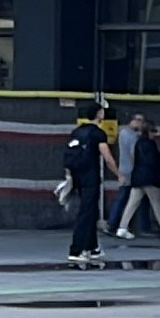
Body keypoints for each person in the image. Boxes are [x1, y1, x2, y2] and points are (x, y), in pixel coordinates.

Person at [61, 103, 113, 266]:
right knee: (86, 212)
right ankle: (76, 250)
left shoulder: (77, 131)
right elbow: (107, 157)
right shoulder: (98, 134)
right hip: (90, 177)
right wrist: (119, 174)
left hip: (77, 176)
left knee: (91, 210)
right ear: (99, 114)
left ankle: (93, 247)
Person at [111, 112, 160, 239]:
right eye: (154, 131)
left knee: (132, 203)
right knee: (157, 203)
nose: (155, 134)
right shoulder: (149, 144)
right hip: (148, 178)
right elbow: (153, 162)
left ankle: (122, 227)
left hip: (137, 177)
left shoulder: (138, 142)